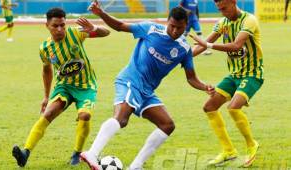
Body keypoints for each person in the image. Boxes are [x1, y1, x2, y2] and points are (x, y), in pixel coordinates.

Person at [79, 1, 215, 170]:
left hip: (147, 91)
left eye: (179, 28)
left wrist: (205, 87)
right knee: (121, 119)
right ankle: (92, 153)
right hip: (130, 80)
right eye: (172, 26)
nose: (174, 30)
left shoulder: (183, 49)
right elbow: (120, 26)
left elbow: (191, 78)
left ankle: (136, 166)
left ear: (186, 26)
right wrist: (101, 13)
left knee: (167, 125)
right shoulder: (151, 29)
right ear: (167, 21)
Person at [11, 7, 110, 167]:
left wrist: (94, 29)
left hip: (86, 86)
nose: (60, 29)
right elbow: (46, 71)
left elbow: (106, 33)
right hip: (64, 87)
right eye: (55, 26)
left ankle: (77, 154)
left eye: (62, 25)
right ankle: (25, 153)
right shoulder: (45, 48)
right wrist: (46, 96)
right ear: (47, 26)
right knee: (47, 114)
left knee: (84, 116)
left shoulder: (76, 33)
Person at [191, 0, 264, 167]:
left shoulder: (249, 20)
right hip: (234, 75)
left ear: (233, 2)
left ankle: (252, 144)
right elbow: (201, 47)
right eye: (219, 9)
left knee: (233, 107)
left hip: (252, 74)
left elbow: (236, 45)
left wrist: (208, 45)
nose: (222, 12)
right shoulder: (222, 23)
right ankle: (229, 151)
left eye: (224, 8)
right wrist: (182, 57)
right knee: (209, 107)